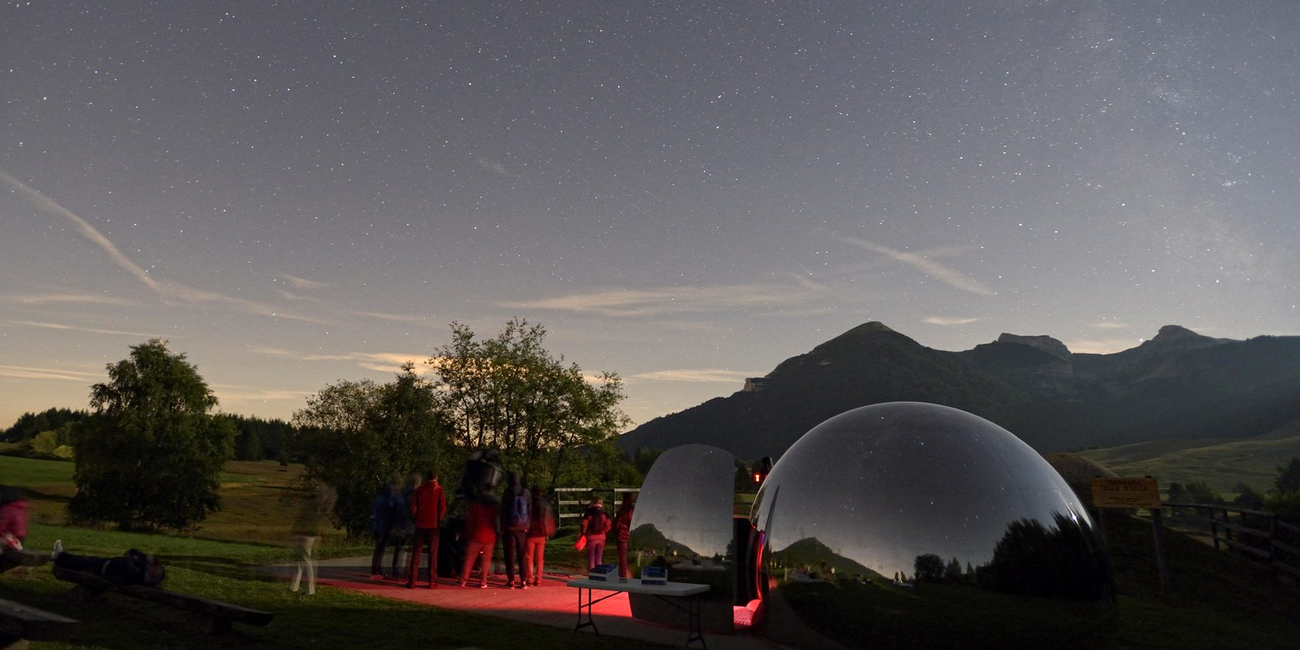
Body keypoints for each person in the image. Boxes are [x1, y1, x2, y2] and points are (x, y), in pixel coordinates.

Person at [50, 541, 165, 586]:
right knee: (84, 560)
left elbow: (129, 557)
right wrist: (147, 557)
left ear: (154, 575)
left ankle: (59, 557)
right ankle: (61, 555)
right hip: (107, 564)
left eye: (156, 568)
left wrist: (144, 559)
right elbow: (131, 552)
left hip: (104, 569)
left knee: (82, 563)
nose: (153, 567)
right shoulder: (142, 570)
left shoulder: (138, 573)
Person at [290, 482, 336, 595]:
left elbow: (304, 520)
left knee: (305, 559)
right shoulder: (320, 506)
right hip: (311, 533)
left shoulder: (314, 505)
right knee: (302, 559)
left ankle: (310, 589)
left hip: (307, 534)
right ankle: (294, 586)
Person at [407, 469, 447, 588]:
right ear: (436, 477)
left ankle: (412, 580)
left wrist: (417, 515)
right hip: (434, 525)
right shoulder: (439, 490)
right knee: (433, 553)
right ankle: (432, 581)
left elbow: (413, 507)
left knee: (416, 552)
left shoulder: (420, 490)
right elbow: (442, 508)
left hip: (420, 523)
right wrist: (438, 518)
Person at [459, 491, 499, 588]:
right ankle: (483, 581)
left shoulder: (475, 507)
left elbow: (470, 521)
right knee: (486, 561)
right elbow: (496, 522)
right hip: (489, 536)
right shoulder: (493, 509)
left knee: (469, 559)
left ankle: (463, 580)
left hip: (476, 535)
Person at [499, 472, 531, 589]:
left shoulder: (507, 493)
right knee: (522, 554)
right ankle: (523, 580)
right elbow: (529, 510)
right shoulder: (526, 492)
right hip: (522, 528)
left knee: (510, 554)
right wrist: (527, 525)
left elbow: (503, 511)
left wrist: (502, 527)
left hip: (509, 528)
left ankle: (511, 580)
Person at [389, 473, 419, 580]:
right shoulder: (416, 496)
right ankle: (409, 571)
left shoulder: (401, 495)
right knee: (412, 551)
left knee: (399, 550)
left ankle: (396, 571)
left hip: (400, 525)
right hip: (412, 525)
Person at [524, 486, 556, 586]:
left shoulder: (529, 504)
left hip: (530, 533)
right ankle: (538, 579)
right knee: (540, 558)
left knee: (529, 557)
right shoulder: (545, 504)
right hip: (541, 534)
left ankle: (529, 578)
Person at [579, 497, 611, 571]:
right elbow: (608, 524)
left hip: (591, 537)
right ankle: (599, 573)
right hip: (601, 537)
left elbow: (584, 524)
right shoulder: (605, 513)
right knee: (599, 556)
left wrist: (584, 533)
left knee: (591, 557)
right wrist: (603, 531)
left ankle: (591, 572)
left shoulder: (589, 513)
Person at [613, 491, 636, 579]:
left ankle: (623, 576)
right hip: (630, 535)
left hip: (622, 535)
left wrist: (615, 531)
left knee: (622, 558)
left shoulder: (623, 510)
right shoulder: (633, 510)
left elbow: (617, 524)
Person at [1, 486, 29, 554]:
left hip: (10, 537)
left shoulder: (7, 509)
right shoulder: (20, 508)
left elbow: (1, 525)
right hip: (21, 537)